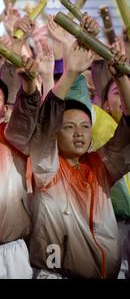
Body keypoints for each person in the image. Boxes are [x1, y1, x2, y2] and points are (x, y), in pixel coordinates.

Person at [29, 27, 129, 278]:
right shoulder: (46, 166)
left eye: (85, 127)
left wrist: (122, 80)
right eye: (69, 127)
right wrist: (71, 71)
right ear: (55, 133)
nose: (79, 134)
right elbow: (45, 123)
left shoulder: (100, 165)